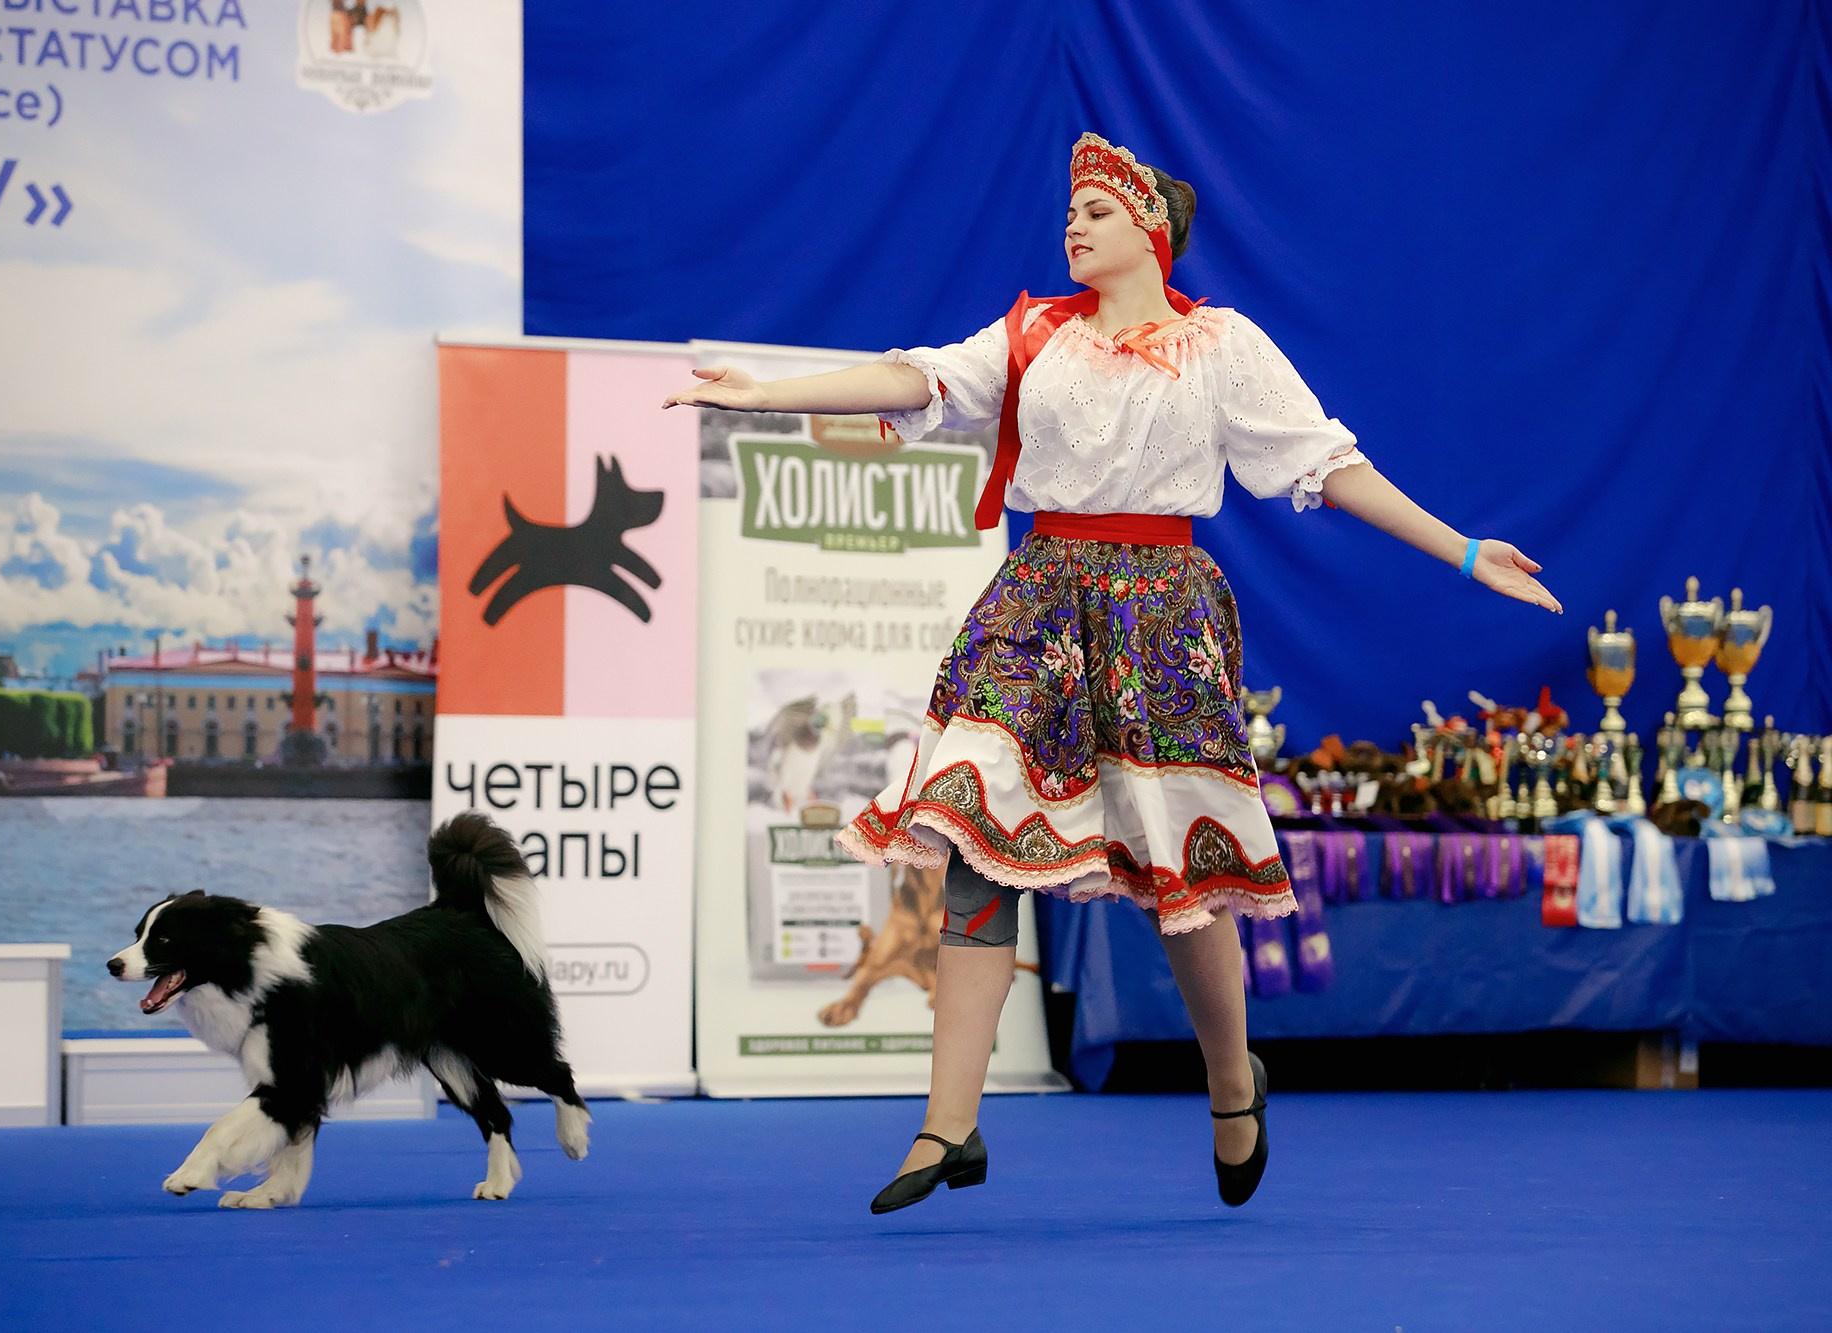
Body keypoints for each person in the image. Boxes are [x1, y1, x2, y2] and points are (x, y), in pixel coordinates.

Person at [663, 132, 1561, 1214]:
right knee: (970, 824)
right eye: (1069, 213)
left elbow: (1327, 464)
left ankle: (1230, 1080)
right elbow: (915, 375)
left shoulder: (1221, 345)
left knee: (1181, 869)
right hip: (1038, 603)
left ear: (1151, 229)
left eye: (1094, 212)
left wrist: (1463, 551)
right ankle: (949, 1122)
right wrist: (760, 393)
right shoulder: (1034, 334)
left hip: (1158, 614)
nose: (1072, 227)